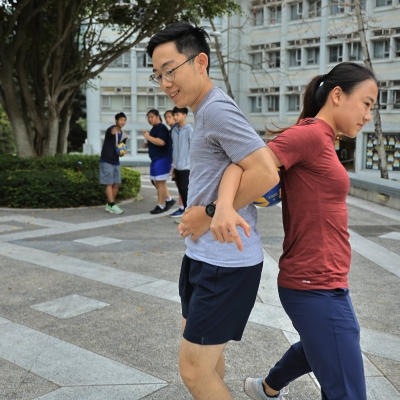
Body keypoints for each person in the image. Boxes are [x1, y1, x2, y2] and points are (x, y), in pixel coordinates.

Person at [180, 62, 378, 400]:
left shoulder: (322, 139)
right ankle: (267, 388)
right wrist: (218, 209)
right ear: (336, 95)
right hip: (312, 281)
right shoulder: (310, 134)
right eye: (367, 103)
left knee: (323, 345)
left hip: (326, 277)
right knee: (347, 388)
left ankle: (266, 388)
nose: (368, 115)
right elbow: (242, 164)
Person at [146, 22, 279, 400]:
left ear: (200, 61)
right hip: (204, 256)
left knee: (192, 369)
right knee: (207, 361)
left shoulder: (217, 109)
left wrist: (207, 212)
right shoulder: (202, 110)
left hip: (227, 263)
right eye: (159, 75)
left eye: (170, 70)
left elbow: (265, 171)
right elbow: (238, 167)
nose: (165, 83)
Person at [142, 109, 176, 214]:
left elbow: (161, 142)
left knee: (160, 183)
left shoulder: (161, 128)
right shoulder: (155, 128)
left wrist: (147, 137)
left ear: (158, 117)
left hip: (162, 158)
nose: (150, 119)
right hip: (156, 159)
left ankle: (160, 206)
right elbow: (156, 141)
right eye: (148, 117)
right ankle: (169, 200)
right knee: (156, 181)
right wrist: (148, 143)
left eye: (152, 117)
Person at [100, 112, 128, 214]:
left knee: (116, 183)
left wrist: (122, 153)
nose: (123, 122)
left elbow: (122, 148)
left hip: (116, 160)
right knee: (109, 183)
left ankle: (109, 204)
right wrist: (112, 132)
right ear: (116, 120)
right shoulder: (111, 129)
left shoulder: (124, 135)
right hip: (107, 160)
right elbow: (110, 132)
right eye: (121, 120)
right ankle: (112, 204)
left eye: (124, 120)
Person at [169, 106, 193, 220]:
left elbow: (193, 148)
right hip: (177, 166)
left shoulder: (189, 129)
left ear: (184, 115)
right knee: (181, 190)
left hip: (187, 166)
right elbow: (174, 149)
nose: (175, 117)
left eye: (177, 114)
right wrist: (173, 167)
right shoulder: (174, 130)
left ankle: (189, 216)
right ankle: (187, 215)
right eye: (174, 115)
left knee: (185, 190)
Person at [164, 109, 185, 215]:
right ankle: (182, 207)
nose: (168, 119)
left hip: (183, 164)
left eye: (170, 116)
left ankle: (183, 208)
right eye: (166, 117)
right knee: (180, 186)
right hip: (175, 162)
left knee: (183, 186)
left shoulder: (181, 130)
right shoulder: (173, 130)